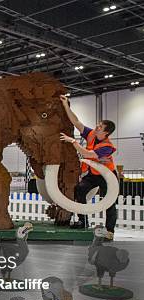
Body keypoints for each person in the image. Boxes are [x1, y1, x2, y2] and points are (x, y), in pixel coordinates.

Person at [58, 94, 118, 240]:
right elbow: (76, 122)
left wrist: (73, 141)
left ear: (106, 132)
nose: (96, 127)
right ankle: (83, 221)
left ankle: (110, 232)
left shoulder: (107, 147)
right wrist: (66, 105)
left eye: (100, 127)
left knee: (109, 203)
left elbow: (88, 154)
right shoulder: (91, 134)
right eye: (97, 125)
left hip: (107, 176)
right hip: (93, 174)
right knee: (79, 190)